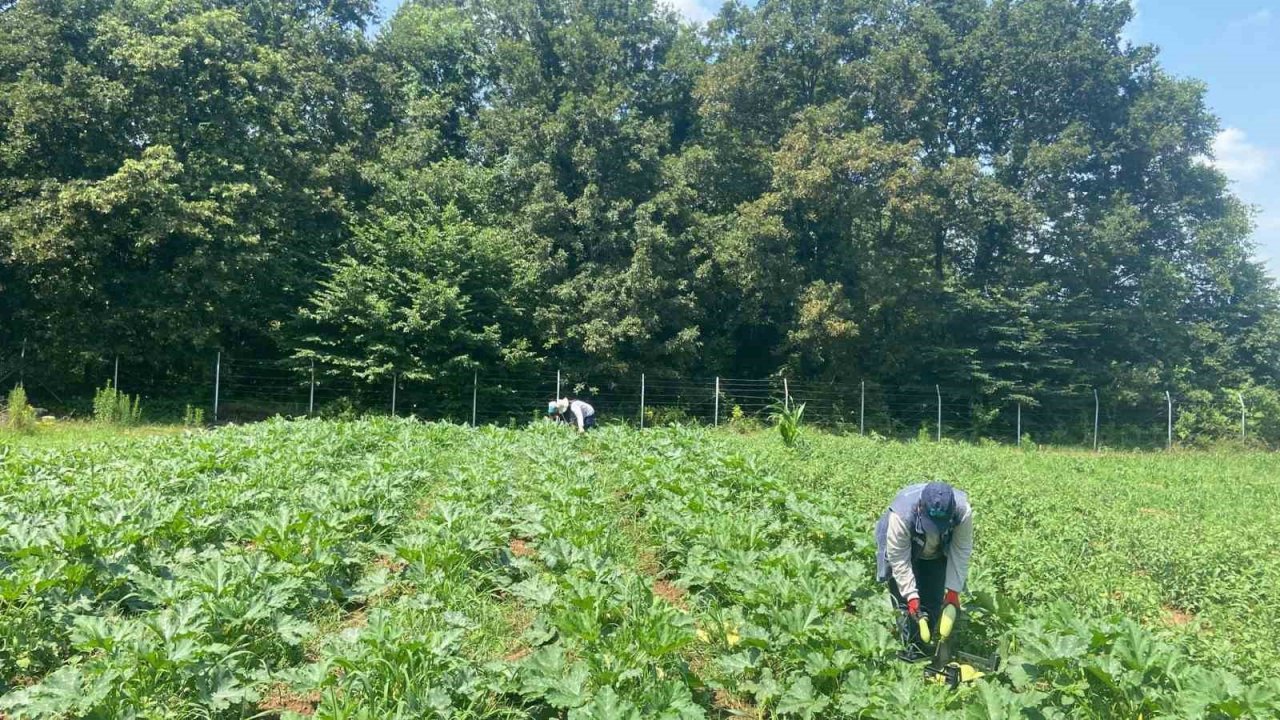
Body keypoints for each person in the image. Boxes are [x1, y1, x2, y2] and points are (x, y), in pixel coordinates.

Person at [874, 480, 974, 657]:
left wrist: (953, 591)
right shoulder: (902, 516)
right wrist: (911, 596)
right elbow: (899, 559)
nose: (935, 529)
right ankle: (911, 650)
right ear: (921, 507)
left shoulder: (962, 511)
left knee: (933, 600)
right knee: (906, 605)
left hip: (936, 552)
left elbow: (961, 550)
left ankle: (926, 646)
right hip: (906, 548)